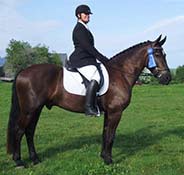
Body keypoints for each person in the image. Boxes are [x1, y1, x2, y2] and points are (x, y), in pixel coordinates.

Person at [69, 4, 109, 116]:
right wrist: (102, 58)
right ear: (78, 15)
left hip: (87, 59)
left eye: (88, 14)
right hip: (81, 59)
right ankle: (89, 107)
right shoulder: (79, 29)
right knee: (95, 76)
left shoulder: (84, 28)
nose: (88, 16)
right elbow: (88, 47)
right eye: (85, 14)